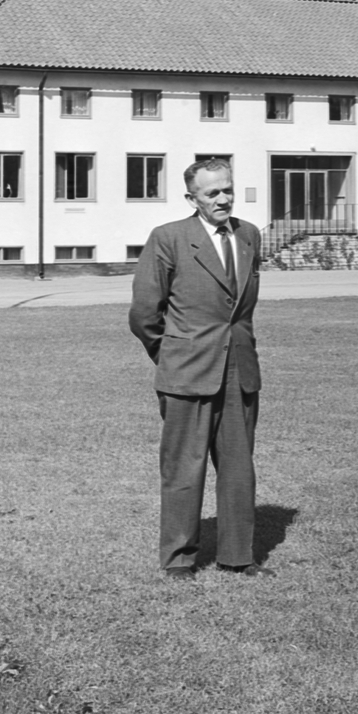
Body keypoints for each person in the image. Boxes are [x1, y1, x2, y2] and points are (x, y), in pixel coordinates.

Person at [128, 158, 272, 580]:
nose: (223, 198)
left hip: (239, 371)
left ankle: (238, 556)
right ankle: (179, 559)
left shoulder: (249, 235)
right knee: (183, 468)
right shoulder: (169, 238)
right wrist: (173, 353)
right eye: (213, 193)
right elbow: (143, 314)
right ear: (193, 198)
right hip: (186, 371)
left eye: (228, 189)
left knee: (238, 467)